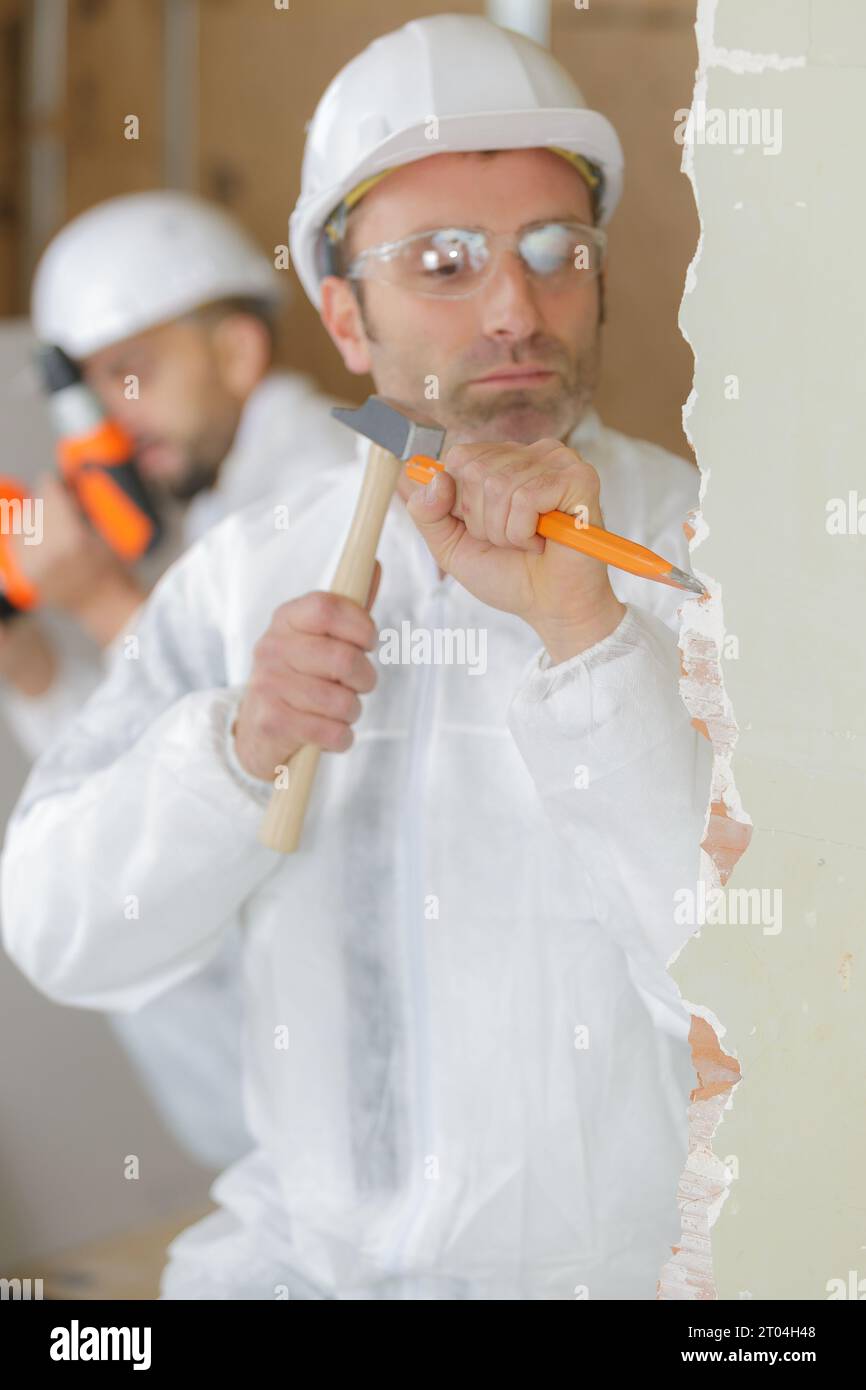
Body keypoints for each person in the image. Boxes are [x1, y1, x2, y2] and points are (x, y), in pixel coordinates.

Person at [2, 15, 713, 1298]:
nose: (515, 306)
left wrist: (589, 644)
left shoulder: (705, 558)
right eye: (442, 261)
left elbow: (779, 1000)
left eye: (558, 252)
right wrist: (237, 747)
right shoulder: (247, 578)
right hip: (302, 1273)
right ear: (342, 313)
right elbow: (61, 929)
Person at [0, 190, 349, 1169]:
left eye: (132, 374)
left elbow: (259, 744)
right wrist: (31, 664)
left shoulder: (317, 485)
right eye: (94, 392)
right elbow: (148, 773)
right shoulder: (217, 507)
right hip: (286, 1144)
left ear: (236, 353)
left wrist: (103, 596)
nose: (112, 424)